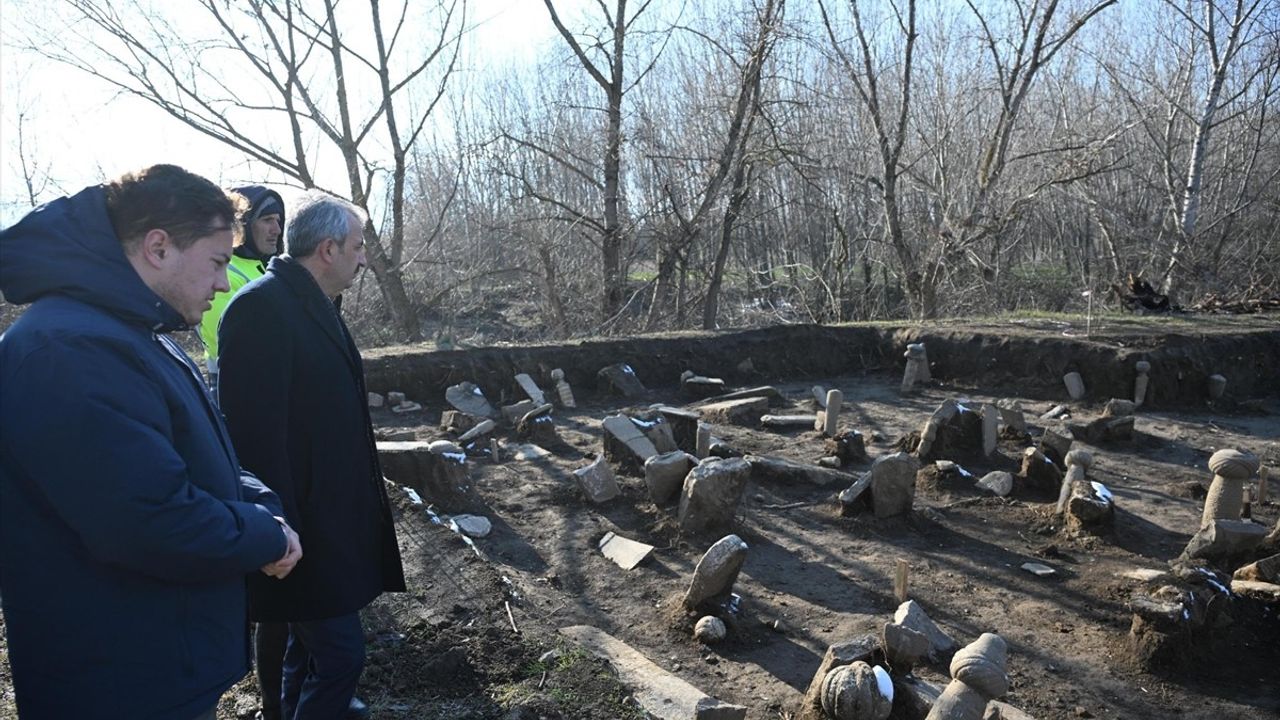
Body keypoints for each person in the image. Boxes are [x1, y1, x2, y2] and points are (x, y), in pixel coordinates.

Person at [0, 164, 303, 719]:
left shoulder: (131, 332)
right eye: (217, 262)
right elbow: (147, 520)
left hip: (156, 660)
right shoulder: (69, 349)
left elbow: (197, 457)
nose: (222, 282)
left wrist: (262, 506)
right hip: (116, 681)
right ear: (158, 248)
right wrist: (263, 535)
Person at [218, 190, 406, 720]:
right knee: (341, 658)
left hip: (330, 523)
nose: (363, 259)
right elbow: (253, 439)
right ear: (328, 249)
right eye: (357, 246)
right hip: (300, 530)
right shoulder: (260, 309)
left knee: (307, 656)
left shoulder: (314, 304)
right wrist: (279, 528)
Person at [198, 184, 285, 391]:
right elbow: (230, 344)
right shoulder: (224, 273)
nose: (277, 229)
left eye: (278, 220)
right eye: (267, 220)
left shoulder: (265, 268)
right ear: (242, 224)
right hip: (236, 388)